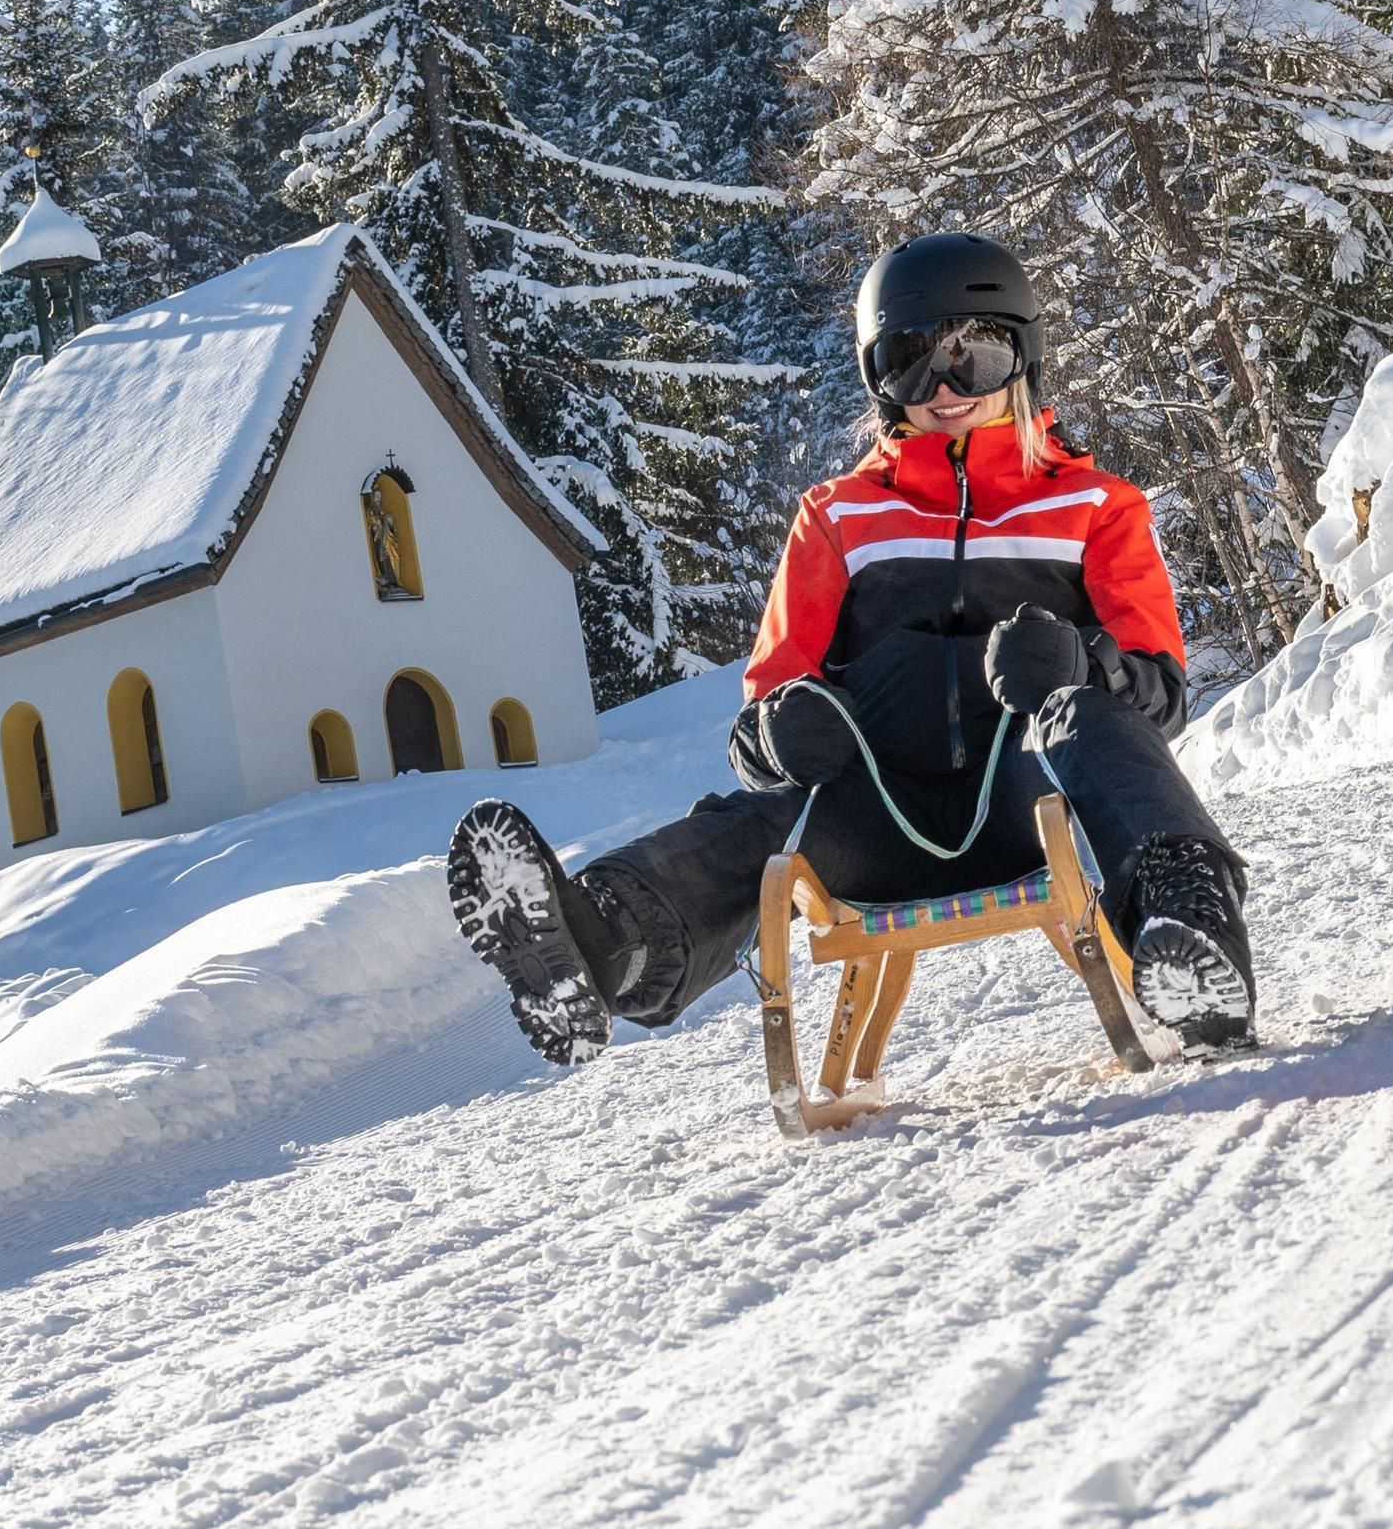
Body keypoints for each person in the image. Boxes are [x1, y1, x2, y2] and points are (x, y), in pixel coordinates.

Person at [447, 232, 1257, 1063]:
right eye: (910, 364)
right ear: (878, 379)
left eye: (973, 359)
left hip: (1036, 805)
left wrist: (1083, 667)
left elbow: (1161, 695)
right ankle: (600, 943)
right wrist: (782, 730)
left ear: (1023, 358)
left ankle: (1193, 937)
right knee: (771, 817)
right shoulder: (838, 516)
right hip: (877, 827)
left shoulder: (1094, 506)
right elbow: (758, 719)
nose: (943, 390)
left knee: (1091, 719)